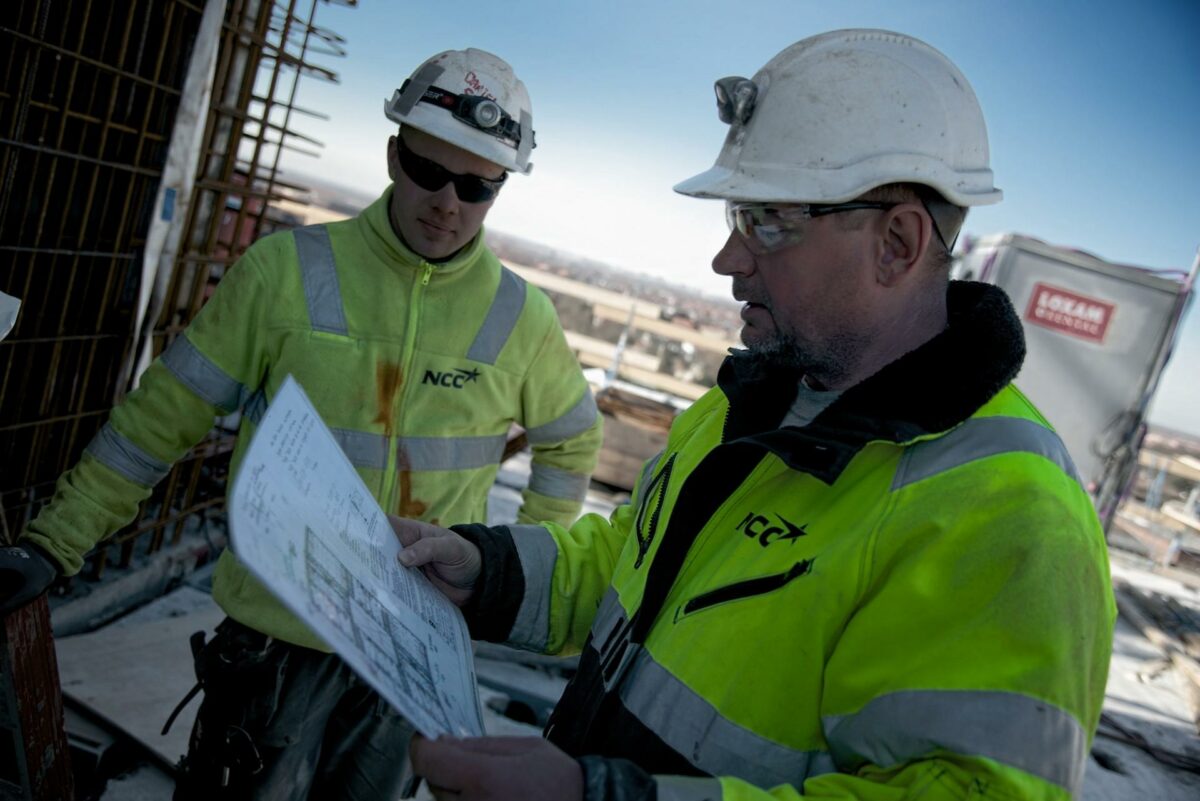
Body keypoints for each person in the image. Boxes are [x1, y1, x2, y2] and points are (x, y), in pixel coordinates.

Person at [392, 29, 1115, 801]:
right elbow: (629, 570)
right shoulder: (746, 409)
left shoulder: (1012, 521)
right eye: (738, 217)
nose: (727, 261)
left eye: (768, 221)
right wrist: (490, 573)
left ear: (897, 243)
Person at [0, 48, 603, 799]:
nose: (449, 202)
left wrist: (512, 578)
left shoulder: (521, 318)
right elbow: (160, 420)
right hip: (275, 641)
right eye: (429, 171)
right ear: (393, 154)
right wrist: (56, 543)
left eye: (478, 185)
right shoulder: (284, 271)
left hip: (408, 653)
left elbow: (574, 439)